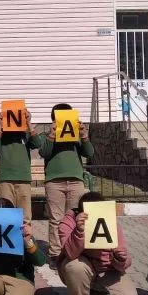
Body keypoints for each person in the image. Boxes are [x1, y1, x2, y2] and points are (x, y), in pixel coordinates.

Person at [58, 192, 138, 295]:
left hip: (106, 269)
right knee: (75, 266)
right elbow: (70, 253)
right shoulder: (69, 221)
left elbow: (124, 261)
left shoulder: (110, 223)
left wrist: (120, 258)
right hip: (80, 269)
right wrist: (79, 231)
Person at [38, 103, 95, 268]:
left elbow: (89, 153)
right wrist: (52, 134)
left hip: (76, 180)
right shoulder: (46, 135)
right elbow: (44, 153)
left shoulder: (76, 134)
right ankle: (55, 254)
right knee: (56, 219)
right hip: (54, 181)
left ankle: (72, 251)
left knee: (74, 218)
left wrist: (84, 136)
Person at [0, 108, 42, 225]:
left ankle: (25, 236)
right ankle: (9, 237)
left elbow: (38, 143)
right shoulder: (0, 133)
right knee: (7, 215)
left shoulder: (25, 133)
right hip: (5, 179)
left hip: (23, 178)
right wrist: (0, 125)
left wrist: (28, 123)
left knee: (25, 216)